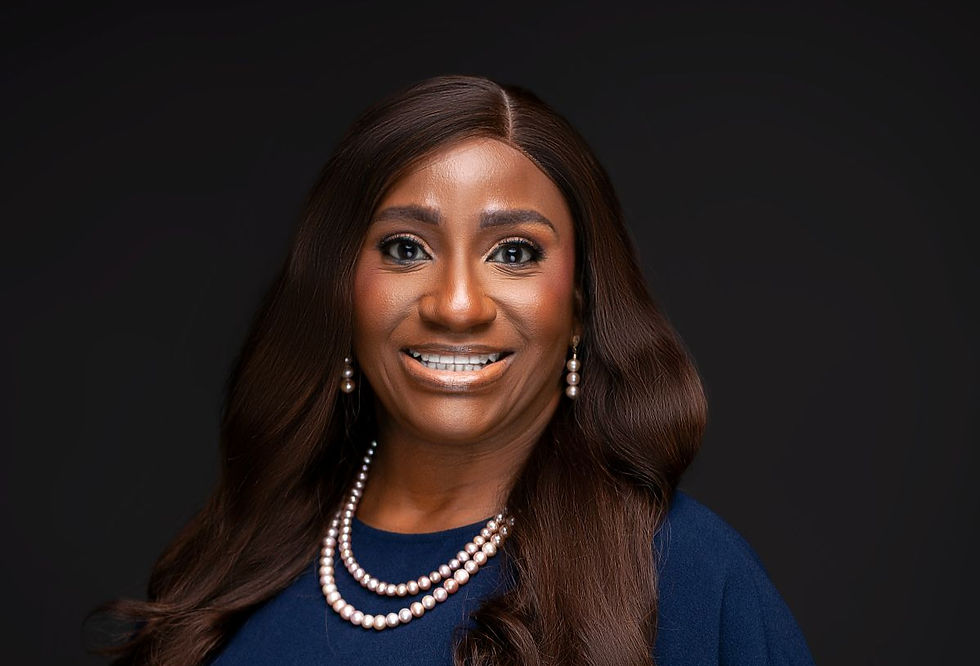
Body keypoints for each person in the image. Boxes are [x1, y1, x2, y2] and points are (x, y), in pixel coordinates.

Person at [96, 75, 814, 665]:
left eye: (514, 253)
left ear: (581, 305)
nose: (458, 305)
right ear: (340, 291)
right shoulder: (232, 565)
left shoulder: (686, 576)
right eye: (406, 248)